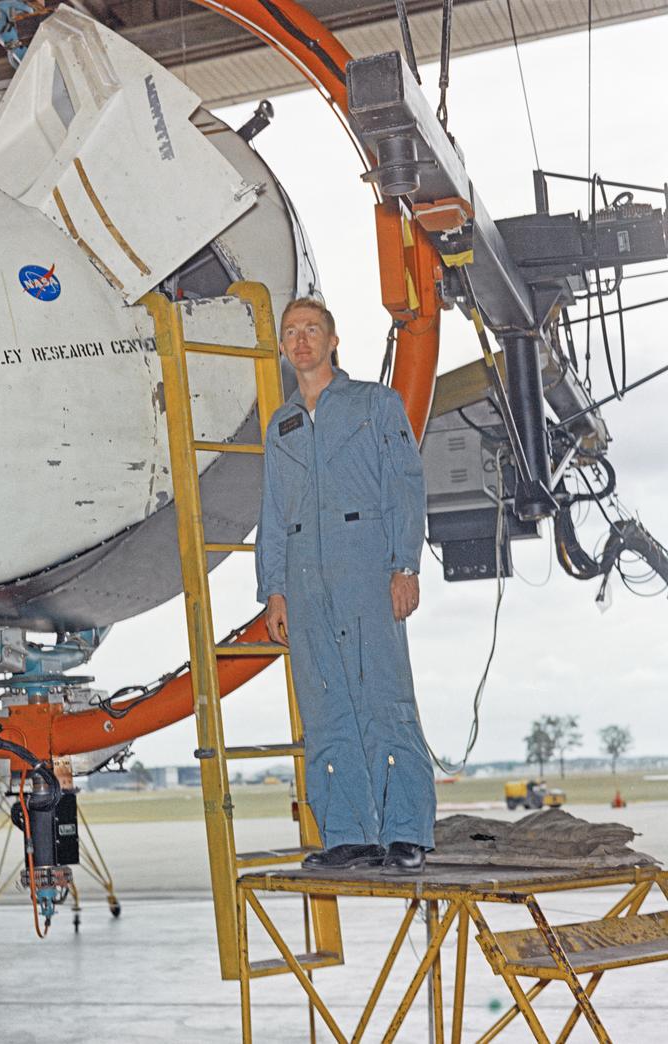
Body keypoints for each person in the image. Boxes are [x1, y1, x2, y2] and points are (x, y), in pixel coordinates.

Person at [255, 297, 436, 874]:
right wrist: (274, 590)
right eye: (292, 332)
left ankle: (406, 833)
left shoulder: (375, 405)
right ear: (283, 348)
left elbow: (405, 484)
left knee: (383, 698)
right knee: (326, 707)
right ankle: (348, 835)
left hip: (366, 569)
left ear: (334, 341)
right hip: (305, 581)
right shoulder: (280, 425)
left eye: (312, 330)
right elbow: (274, 512)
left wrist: (404, 564)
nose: (301, 340)